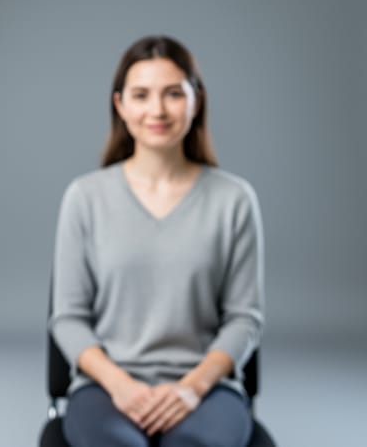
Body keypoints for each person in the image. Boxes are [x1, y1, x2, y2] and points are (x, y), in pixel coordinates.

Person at [49, 35, 264, 447]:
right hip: (104, 387)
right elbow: (68, 318)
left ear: (195, 100)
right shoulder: (85, 197)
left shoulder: (234, 200)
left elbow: (244, 319)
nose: (158, 110)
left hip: (207, 389)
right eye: (141, 95)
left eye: (172, 94)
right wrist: (121, 386)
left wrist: (192, 388)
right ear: (120, 105)